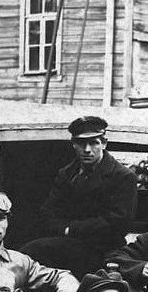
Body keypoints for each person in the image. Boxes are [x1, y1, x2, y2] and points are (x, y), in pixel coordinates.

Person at [23, 116, 139, 275]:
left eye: (93, 143)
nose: (87, 150)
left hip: (104, 250)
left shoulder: (122, 176)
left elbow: (118, 224)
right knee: (27, 255)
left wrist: (70, 228)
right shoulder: (67, 174)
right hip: (67, 242)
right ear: (73, 144)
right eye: (81, 143)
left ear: (104, 143)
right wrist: (66, 230)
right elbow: (47, 213)